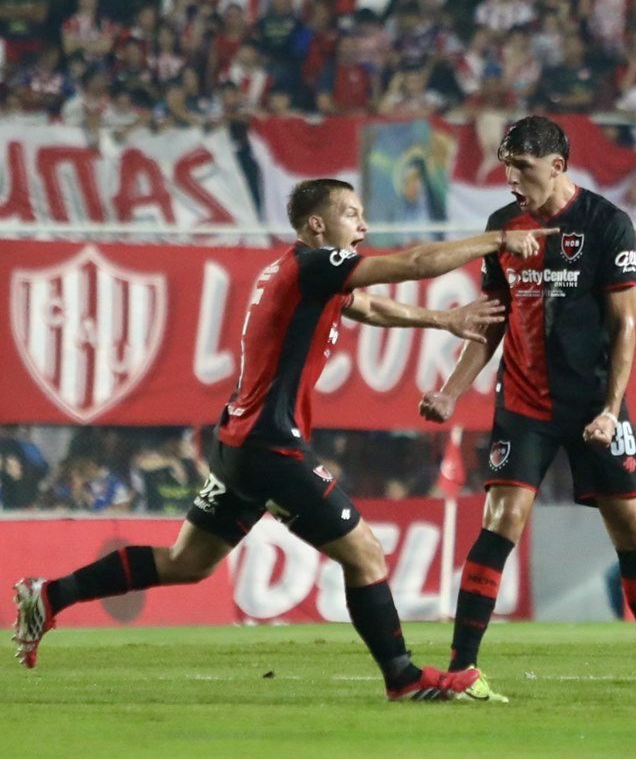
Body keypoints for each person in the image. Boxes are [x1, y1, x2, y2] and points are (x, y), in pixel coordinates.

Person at [13, 178, 548, 703]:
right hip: (271, 447)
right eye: (351, 214)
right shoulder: (316, 264)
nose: (363, 225)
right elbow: (410, 265)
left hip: (237, 443)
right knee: (365, 554)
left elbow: (370, 308)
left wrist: (443, 319)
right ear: (318, 224)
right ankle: (403, 677)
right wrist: (497, 240)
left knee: (188, 563)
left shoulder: (296, 271)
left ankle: (50, 596)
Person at [418, 116, 636, 704]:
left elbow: (624, 327)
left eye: (522, 166)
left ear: (558, 166)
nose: (511, 177)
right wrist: (451, 389)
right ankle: (463, 671)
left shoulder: (606, 224)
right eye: (506, 164)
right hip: (523, 401)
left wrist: (612, 409)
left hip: (595, 404)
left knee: (632, 528)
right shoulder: (502, 227)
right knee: (501, 520)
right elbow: (490, 323)